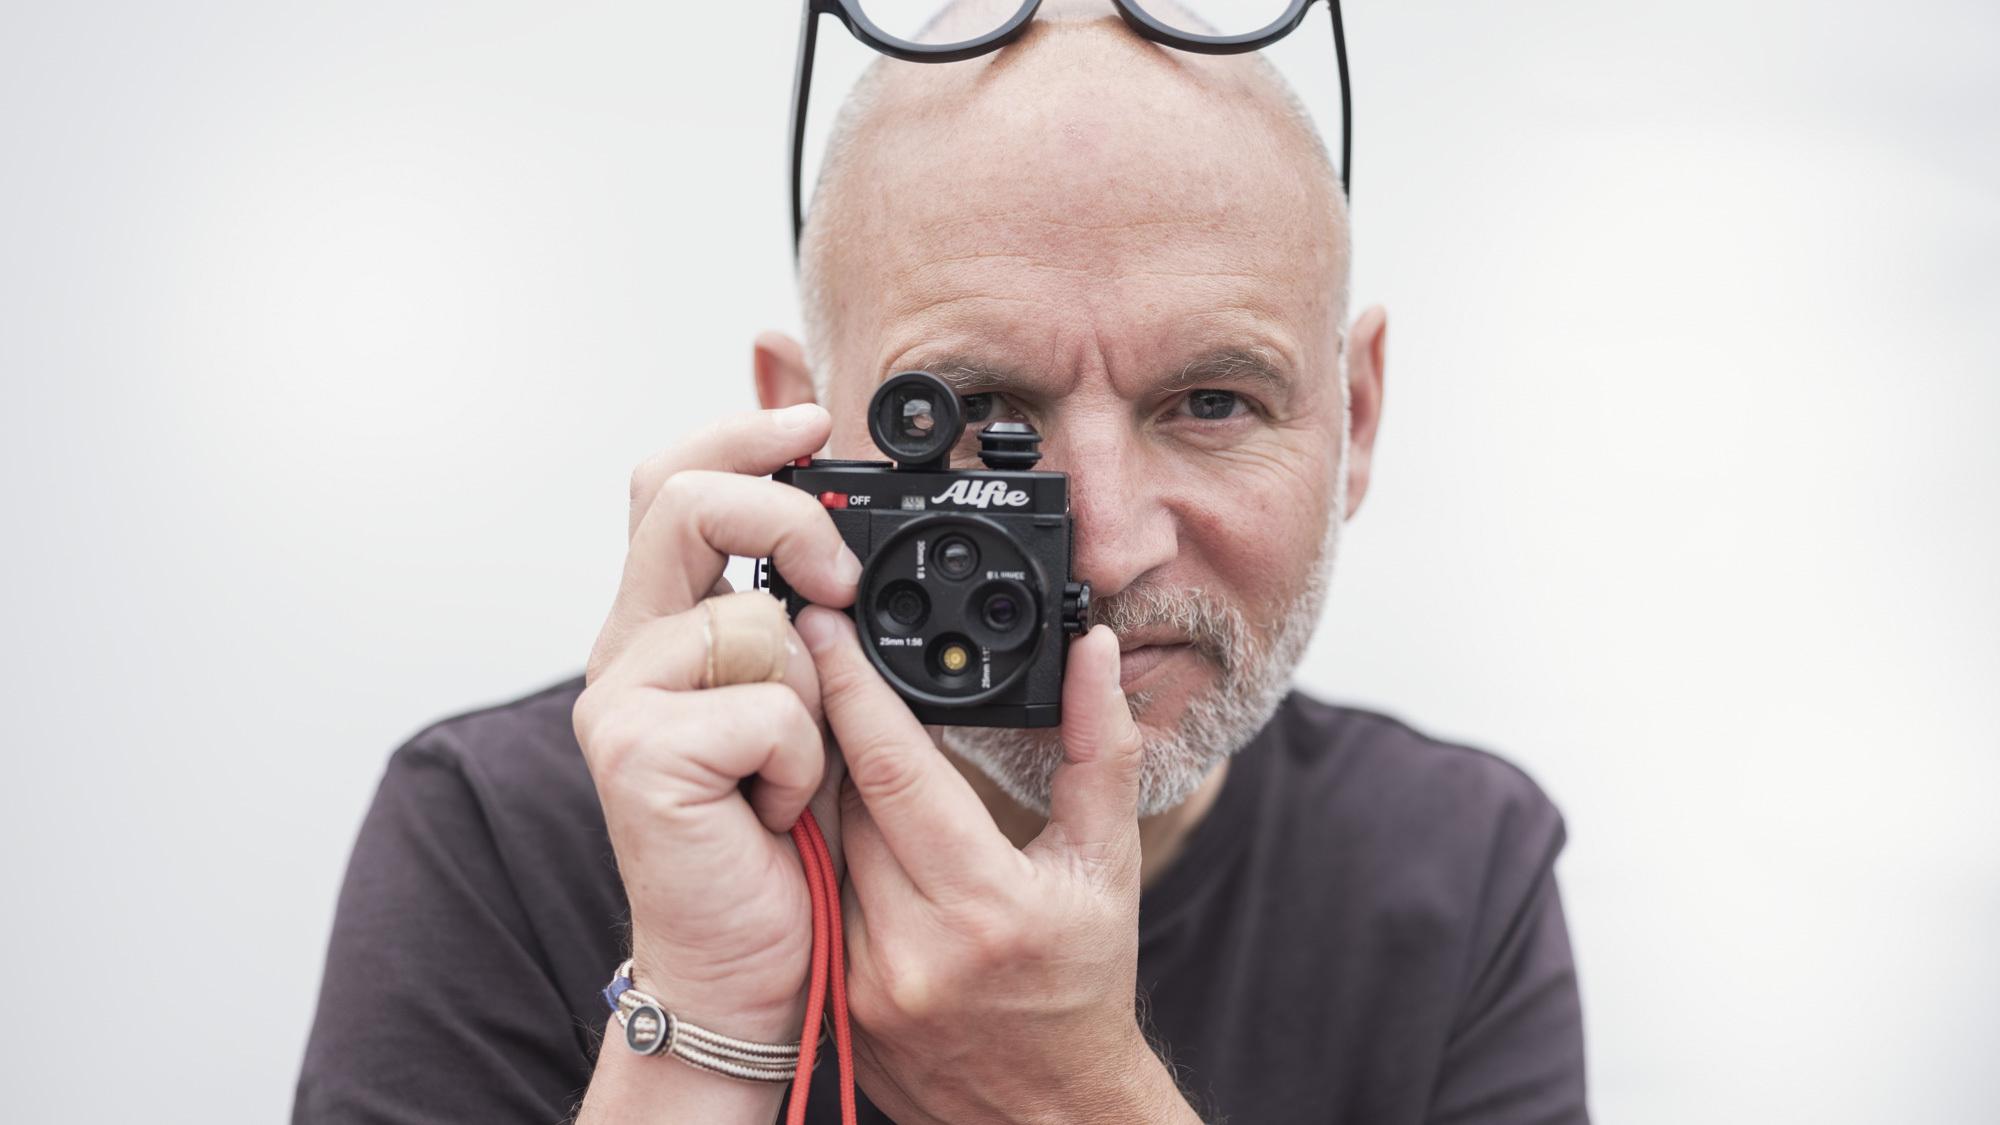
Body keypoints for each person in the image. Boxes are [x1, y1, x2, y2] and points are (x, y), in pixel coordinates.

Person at [294, 6, 1587, 1123]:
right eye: (968, 417)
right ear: (801, 438)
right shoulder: (508, 834)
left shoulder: (1455, 866)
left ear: (1355, 418)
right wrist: (700, 1023)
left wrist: (1078, 1094)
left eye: (1211, 401)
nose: (1105, 545)